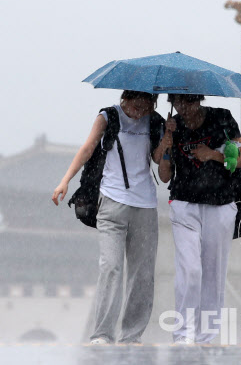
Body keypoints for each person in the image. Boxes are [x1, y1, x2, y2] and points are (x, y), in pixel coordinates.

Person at [52, 90, 167, 344]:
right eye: (136, 106)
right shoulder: (108, 116)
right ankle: (102, 333)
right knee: (111, 267)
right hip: (111, 203)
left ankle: (132, 335)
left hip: (145, 205)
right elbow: (87, 148)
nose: (139, 112)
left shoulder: (156, 122)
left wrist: (167, 136)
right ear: (125, 99)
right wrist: (65, 181)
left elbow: (159, 161)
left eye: (146, 107)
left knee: (142, 273)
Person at [157, 94, 241, 344]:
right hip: (184, 204)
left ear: (199, 99)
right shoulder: (172, 126)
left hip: (220, 204)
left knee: (213, 273)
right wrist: (166, 144)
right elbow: (164, 176)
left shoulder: (222, 119)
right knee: (190, 269)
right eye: (177, 103)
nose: (183, 108)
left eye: (188, 102)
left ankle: (205, 337)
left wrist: (212, 155)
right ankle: (183, 335)